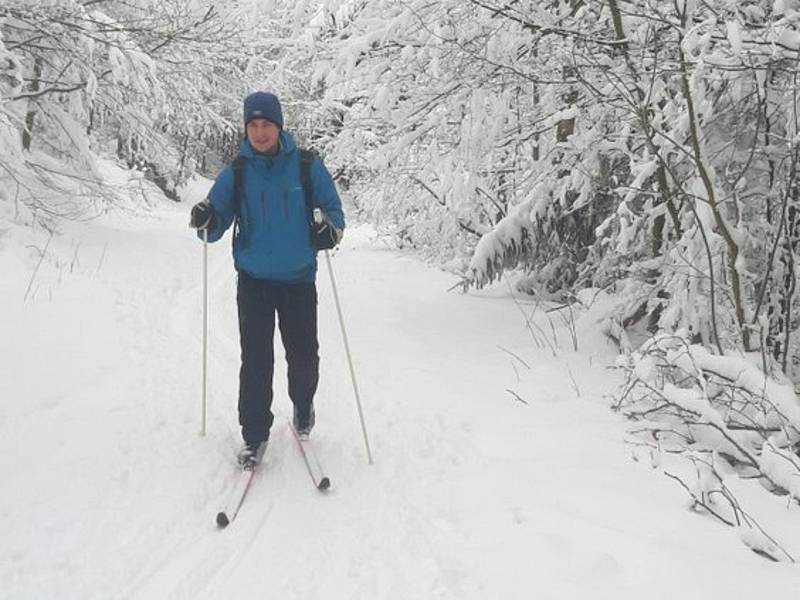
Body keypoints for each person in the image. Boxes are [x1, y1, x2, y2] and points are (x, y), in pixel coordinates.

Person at [189, 91, 345, 466]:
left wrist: (331, 231)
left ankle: (303, 407)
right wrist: (206, 218)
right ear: (246, 128)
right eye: (253, 125)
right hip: (254, 281)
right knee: (256, 361)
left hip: (298, 279)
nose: (260, 132)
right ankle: (254, 435)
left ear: (279, 126)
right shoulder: (238, 171)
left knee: (304, 358)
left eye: (267, 125)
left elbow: (334, 211)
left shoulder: (307, 166)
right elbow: (216, 222)